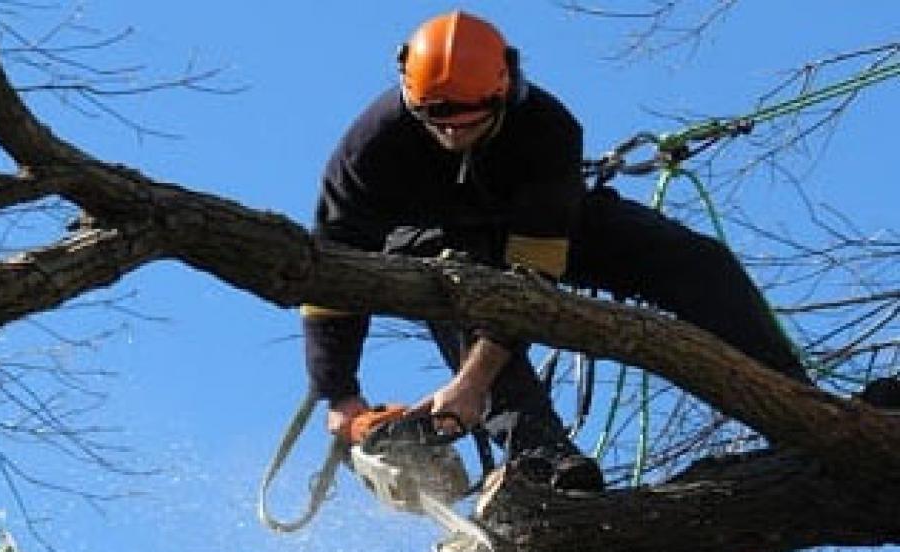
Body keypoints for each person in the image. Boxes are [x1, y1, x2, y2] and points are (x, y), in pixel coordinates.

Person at [301, 11, 809, 491]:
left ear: (503, 91)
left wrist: (471, 384)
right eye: (437, 120)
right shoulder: (371, 149)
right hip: (433, 245)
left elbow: (530, 282)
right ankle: (541, 456)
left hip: (541, 230)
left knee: (695, 262)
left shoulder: (547, 130)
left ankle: (797, 406)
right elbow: (329, 271)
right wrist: (340, 393)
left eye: (467, 120)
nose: (452, 130)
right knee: (450, 282)